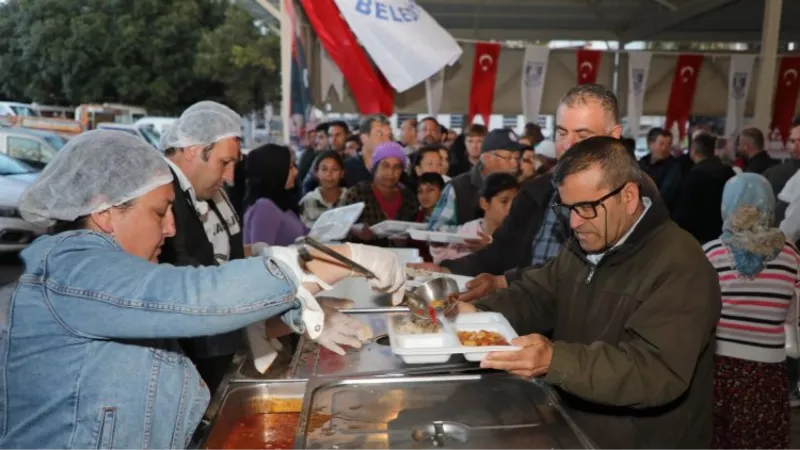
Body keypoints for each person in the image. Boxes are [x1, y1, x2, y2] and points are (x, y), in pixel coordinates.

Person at [0, 130, 406, 449]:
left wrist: (298, 314)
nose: (172, 228)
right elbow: (195, 295)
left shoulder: (105, 272)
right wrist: (337, 258)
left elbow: (184, 317)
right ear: (106, 212)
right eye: (160, 212)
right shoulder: (72, 265)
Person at [457, 136, 721, 450]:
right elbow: (537, 294)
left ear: (629, 196)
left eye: (586, 207)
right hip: (576, 429)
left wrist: (556, 360)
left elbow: (653, 371)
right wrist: (478, 313)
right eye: (568, 208)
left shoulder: (680, 265)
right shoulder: (587, 244)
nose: (574, 222)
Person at [409, 84, 665, 294]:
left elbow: (591, 276)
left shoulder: (634, 197)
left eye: (583, 136)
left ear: (613, 136)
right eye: (562, 133)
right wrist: (447, 270)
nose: (568, 146)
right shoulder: (538, 190)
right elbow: (502, 251)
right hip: (529, 315)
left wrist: (503, 283)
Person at [704, 173, 798, 449]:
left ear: (727, 205)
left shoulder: (710, 254)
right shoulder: (792, 256)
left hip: (720, 370)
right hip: (769, 371)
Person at [160, 101, 249, 393]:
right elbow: (188, 276)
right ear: (191, 149)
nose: (230, 176)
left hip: (221, 344)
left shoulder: (208, 189)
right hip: (194, 356)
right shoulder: (164, 192)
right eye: (224, 163)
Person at [427, 128, 522, 231]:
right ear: (487, 157)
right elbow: (436, 229)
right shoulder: (458, 188)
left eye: (516, 158)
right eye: (508, 158)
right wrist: (473, 232)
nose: (514, 164)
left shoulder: (522, 189)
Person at [430, 173, 519, 264]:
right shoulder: (468, 231)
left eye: (516, 202)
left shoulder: (519, 235)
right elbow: (443, 259)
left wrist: (489, 250)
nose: (511, 207)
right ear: (484, 203)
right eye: (504, 201)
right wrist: (438, 244)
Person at [341, 141, 418, 242]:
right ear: (375, 167)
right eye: (385, 166)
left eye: (396, 167)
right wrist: (353, 230)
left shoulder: (408, 197)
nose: (391, 173)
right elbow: (338, 228)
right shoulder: (357, 194)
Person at [672, 132, 735, 244]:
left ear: (694, 150)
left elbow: (686, 209)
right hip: (724, 231)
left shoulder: (695, 174)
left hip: (699, 235)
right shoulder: (728, 171)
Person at [242, 144, 307, 246]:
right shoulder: (264, 208)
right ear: (275, 171)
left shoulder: (281, 203)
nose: (296, 172)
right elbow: (262, 256)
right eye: (290, 168)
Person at [299, 150, 348, 228]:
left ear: (342, 173)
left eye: (334, 169)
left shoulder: (350, 197)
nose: (329, 174)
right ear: (316, 173)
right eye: (324, 169)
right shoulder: (307, 201)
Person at [638, 127, 683, 210]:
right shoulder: (642, 163)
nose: (665, 148)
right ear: (650, 144)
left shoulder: (673, 166)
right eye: (661, 144)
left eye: (668, 144)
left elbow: (666, 193)